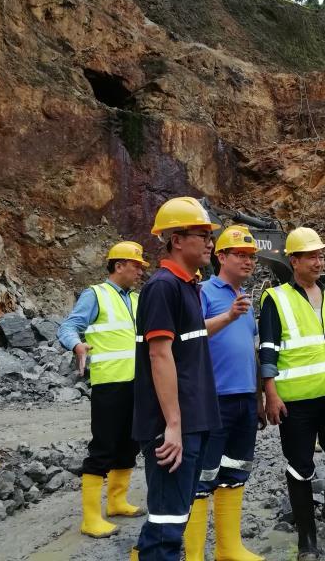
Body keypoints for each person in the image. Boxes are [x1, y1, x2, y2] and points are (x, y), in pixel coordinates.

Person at [259, 227, 325, 561]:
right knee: (301, 468)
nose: (319, 262)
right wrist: (270, 393)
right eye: (311, 257)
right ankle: (307, 539)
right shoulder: (275, 299)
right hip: (296, 400)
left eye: (320, 255)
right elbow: (268, 350)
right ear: (294, 261)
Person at [131, 197, 222, 561]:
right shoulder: (163, 287)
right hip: (171, 426)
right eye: (203, 235)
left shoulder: (188, 286)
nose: (210, 243)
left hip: (190, 421)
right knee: (167, 524)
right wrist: (172, 426)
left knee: (172, 516)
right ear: (177, 240)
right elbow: (159, 355)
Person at [184, 225, 265, 561]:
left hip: (245, 399)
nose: (248, 261)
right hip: (212, 400)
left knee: (235, 471)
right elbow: (189, 334)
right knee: (202, 477)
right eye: (240, 255)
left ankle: (228, 548)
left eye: (251, 256)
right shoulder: (203, 292)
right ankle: (194, 555)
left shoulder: (243, 298)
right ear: (220, 256)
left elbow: (251, 350)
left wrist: (259, 397)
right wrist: (229, 316)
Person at [58, 241, 148, 538]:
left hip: (136, 383)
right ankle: (91, 518)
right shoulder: (96, 294)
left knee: (129, 444)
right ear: (118, 265)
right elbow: (68, 327)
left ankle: (117, 501)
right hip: (109, 384)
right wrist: (77, 345)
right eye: (136, 266)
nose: (140, 271)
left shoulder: (136, 299)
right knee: (103, 447)